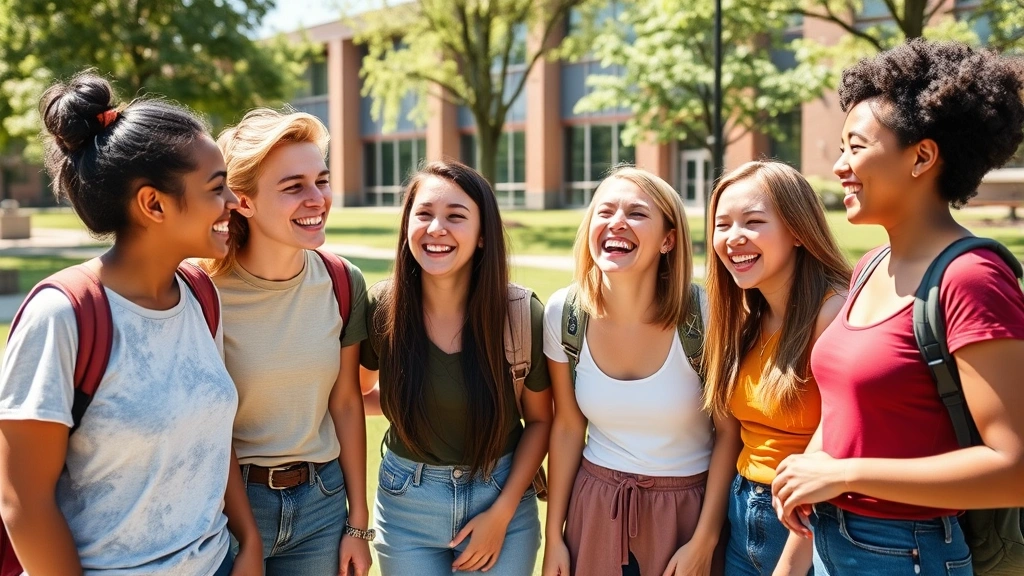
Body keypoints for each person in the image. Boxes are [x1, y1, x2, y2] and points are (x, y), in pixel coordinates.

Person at [771, 40, 1024, 575]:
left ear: (923, 157)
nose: (839, 166)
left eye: (856, 147)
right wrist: (811, 477)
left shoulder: (971, 280)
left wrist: (846, 475)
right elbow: (845, 416)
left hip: (907, 553)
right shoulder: (869, 267)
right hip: (831, 540)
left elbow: (1014, 468)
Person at [0, 72, 261, 575]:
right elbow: (22, 504)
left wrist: (246, 541)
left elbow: (208, 432)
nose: (232, 203)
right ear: (154, 204)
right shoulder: (63, 316)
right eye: (216, 188)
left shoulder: (201, 296)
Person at [359, 160, 552, 575]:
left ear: (483, 236)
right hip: (407, 504)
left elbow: (540, 422)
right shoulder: (382, 308)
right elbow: (357, 396)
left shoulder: (521, 314)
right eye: (424, 214)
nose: (436, 229)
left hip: (501, 496)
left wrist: (500, 515)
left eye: (456, 217)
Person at [542, 166, 733, 576]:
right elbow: (567, 428)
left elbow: (729, 434)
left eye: (637, 213)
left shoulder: (704, 314)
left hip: (687, 512)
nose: (617, 223)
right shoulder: (564, 314)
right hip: (593, 510)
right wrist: (554, 536)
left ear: (669, 239)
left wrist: (705, 540)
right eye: (605, 211)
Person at [206, 108, 372, 575]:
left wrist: (356, 523)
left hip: (322, 504)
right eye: (293, 186)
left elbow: (345, 403)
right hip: (226, 509)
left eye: (321, 180)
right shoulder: (200, 293)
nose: (317, 198)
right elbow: (203, 423)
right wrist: (247, 535)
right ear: (243, 201)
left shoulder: (342, 281)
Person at [702, 161, 849, 576]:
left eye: (753, 221)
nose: (733, 238)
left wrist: (791, 559)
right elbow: (729, 436)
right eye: (722, 224)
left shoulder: (833, 313)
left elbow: (841, 440)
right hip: (743, 510)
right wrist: (708, 535)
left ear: (798, 231)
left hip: (811, 523)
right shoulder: (743, 315)